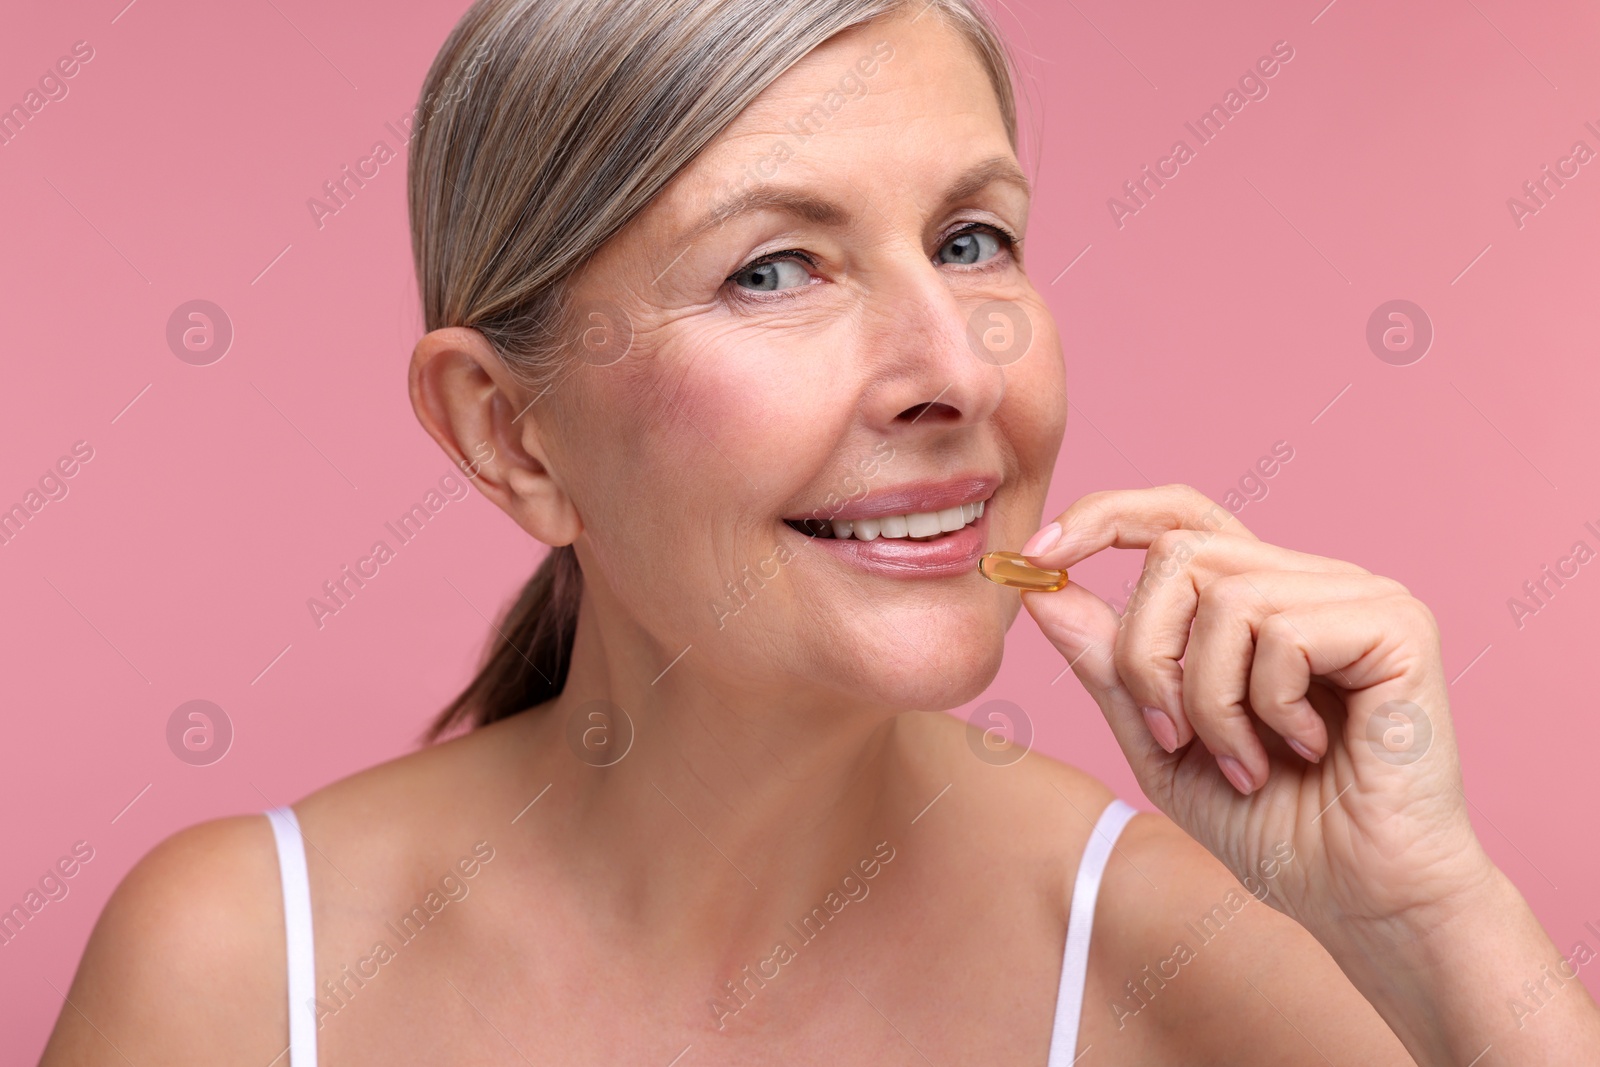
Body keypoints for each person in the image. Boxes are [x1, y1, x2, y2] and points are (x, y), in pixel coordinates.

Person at [41, 0, 1600, 1063]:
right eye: (775, 268)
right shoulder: (238, 972)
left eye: (971, 239)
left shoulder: (1207, 965)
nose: (953, 369)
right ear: (510, 434)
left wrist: (1430, 922)